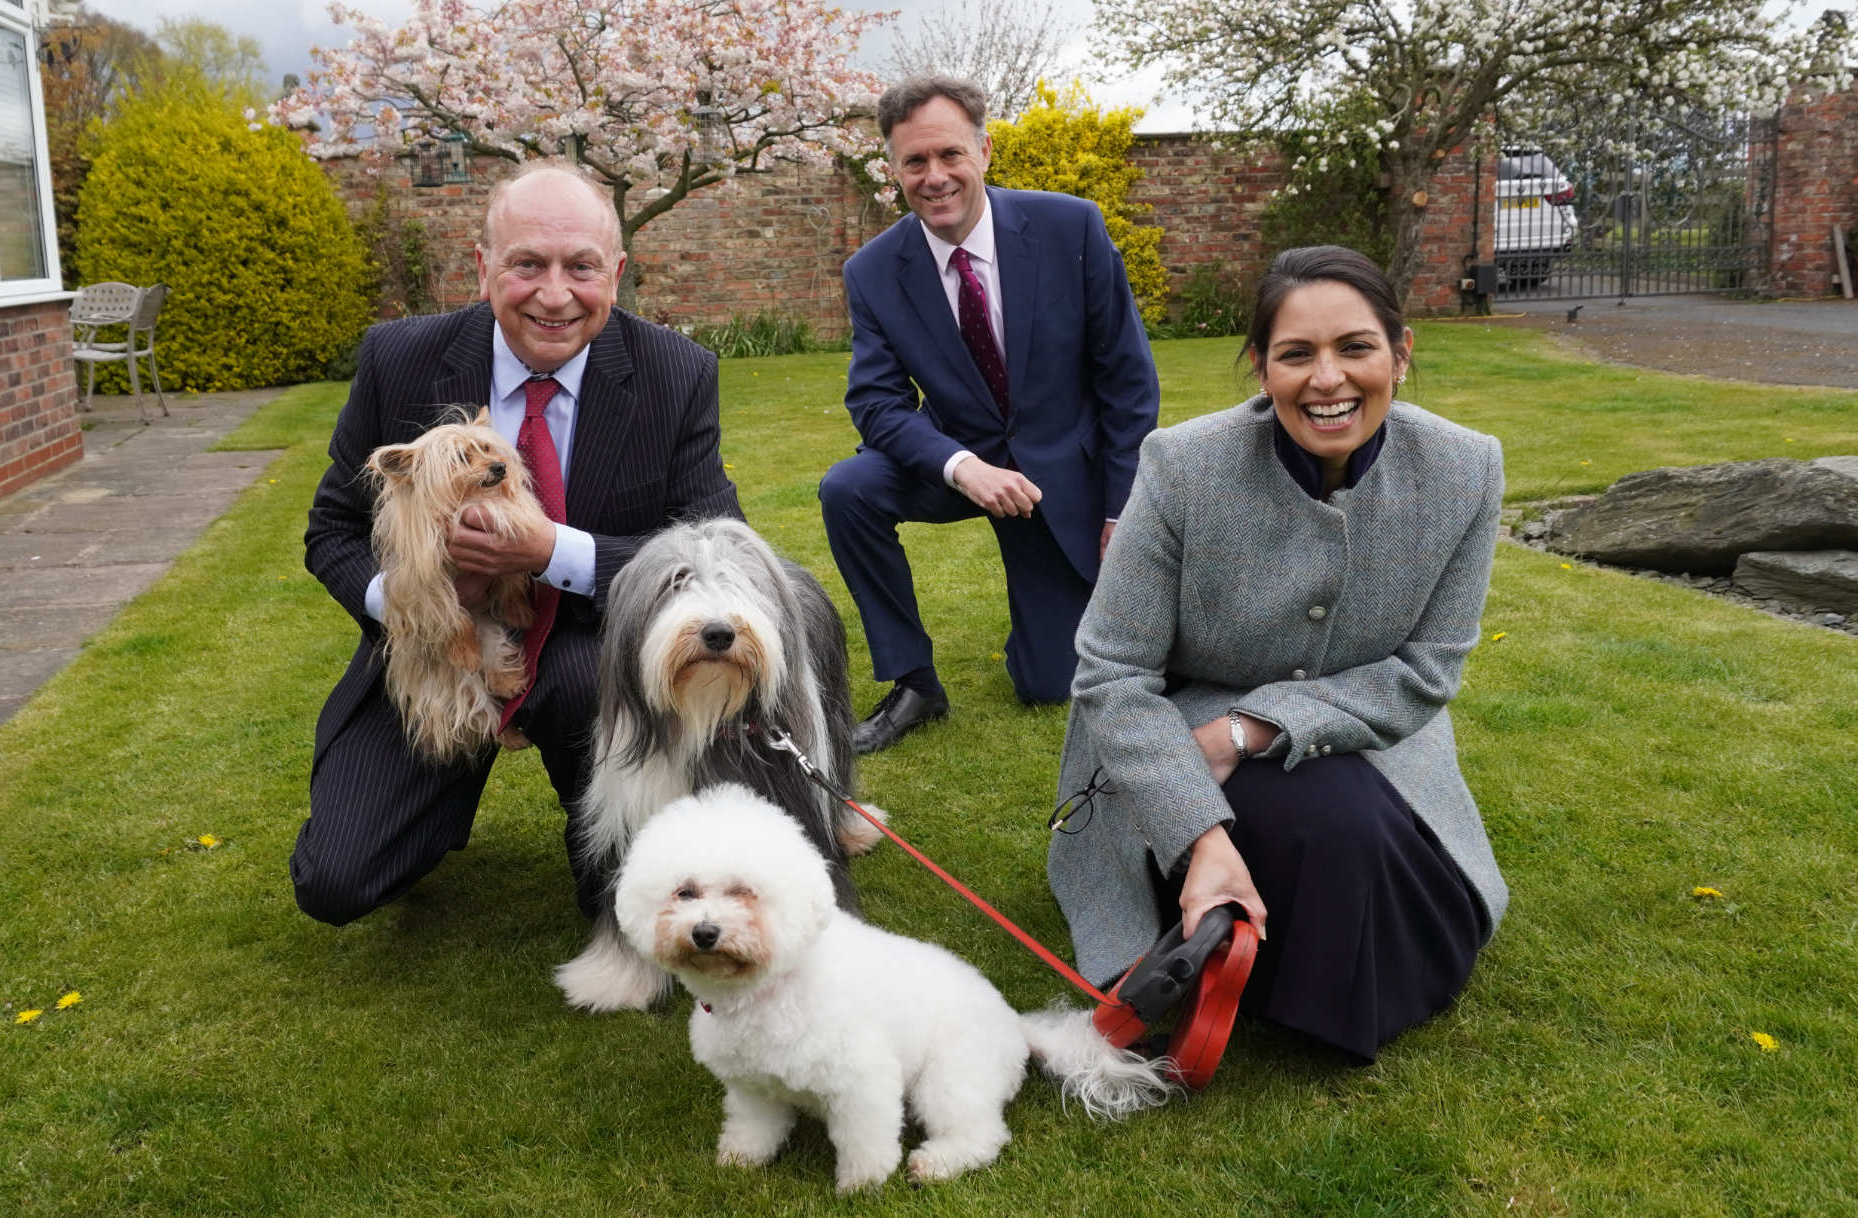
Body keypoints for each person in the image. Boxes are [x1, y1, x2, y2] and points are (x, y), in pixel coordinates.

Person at [1048, 245, 1507, 1063]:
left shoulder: (1465, 468)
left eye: (1355, 348)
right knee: (1326, 824)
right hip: (1168, 732)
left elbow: (1425, 672)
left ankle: (1257, 959)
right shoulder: (1181, 466)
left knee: (1351, 822)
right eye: (1296, 354)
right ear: (1260, 368)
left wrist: (1244, 732)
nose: (1326, 380)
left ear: (1399, 355)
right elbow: (1112, 673)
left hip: (1363, 736)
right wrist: (1199, 833)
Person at [294, 161, 740, 926]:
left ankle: (618, 849)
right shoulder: (397, 359)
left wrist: (549, 552)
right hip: (434, 657)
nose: (555, 294)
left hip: (593, 648)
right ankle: (432, 808)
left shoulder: (676, 372)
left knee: (628, 898)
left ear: (616, 272)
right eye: (526, 264)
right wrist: (417, 603)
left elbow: (714, 552)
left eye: (581, 268)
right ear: (483, 267)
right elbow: (330, 530)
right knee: (336, 881)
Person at [819, 76, 1159, 754]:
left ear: (984, 151)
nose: (934, 176)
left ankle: (1049, 623)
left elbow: (1126, 383)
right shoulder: (874, 271)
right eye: (914, 162)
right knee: (847, 489)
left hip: (1062, 473)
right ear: (893, 171)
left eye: (949, 155)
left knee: (1049, 684)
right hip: (961, 464)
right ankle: (914, 682)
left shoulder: (1071, 228)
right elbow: (877, 403)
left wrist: (1122, 513)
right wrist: (960, 466)